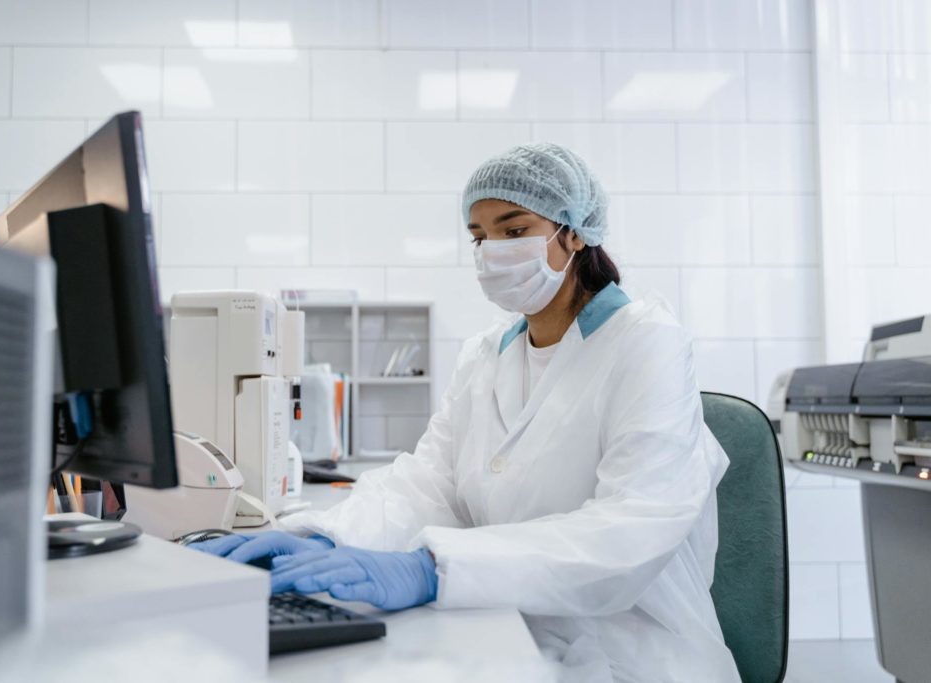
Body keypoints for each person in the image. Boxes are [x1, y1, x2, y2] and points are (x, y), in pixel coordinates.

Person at [192, 143, 741, 682]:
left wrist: (432, 567)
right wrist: (325, 535)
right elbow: (428, 485)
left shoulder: (646, 342)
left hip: (632, 648)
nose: (492, 250)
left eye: (514, 229)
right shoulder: (486, 355)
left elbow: (631, 528)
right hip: (507, 625)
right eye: (478, 237)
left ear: (573, 232)